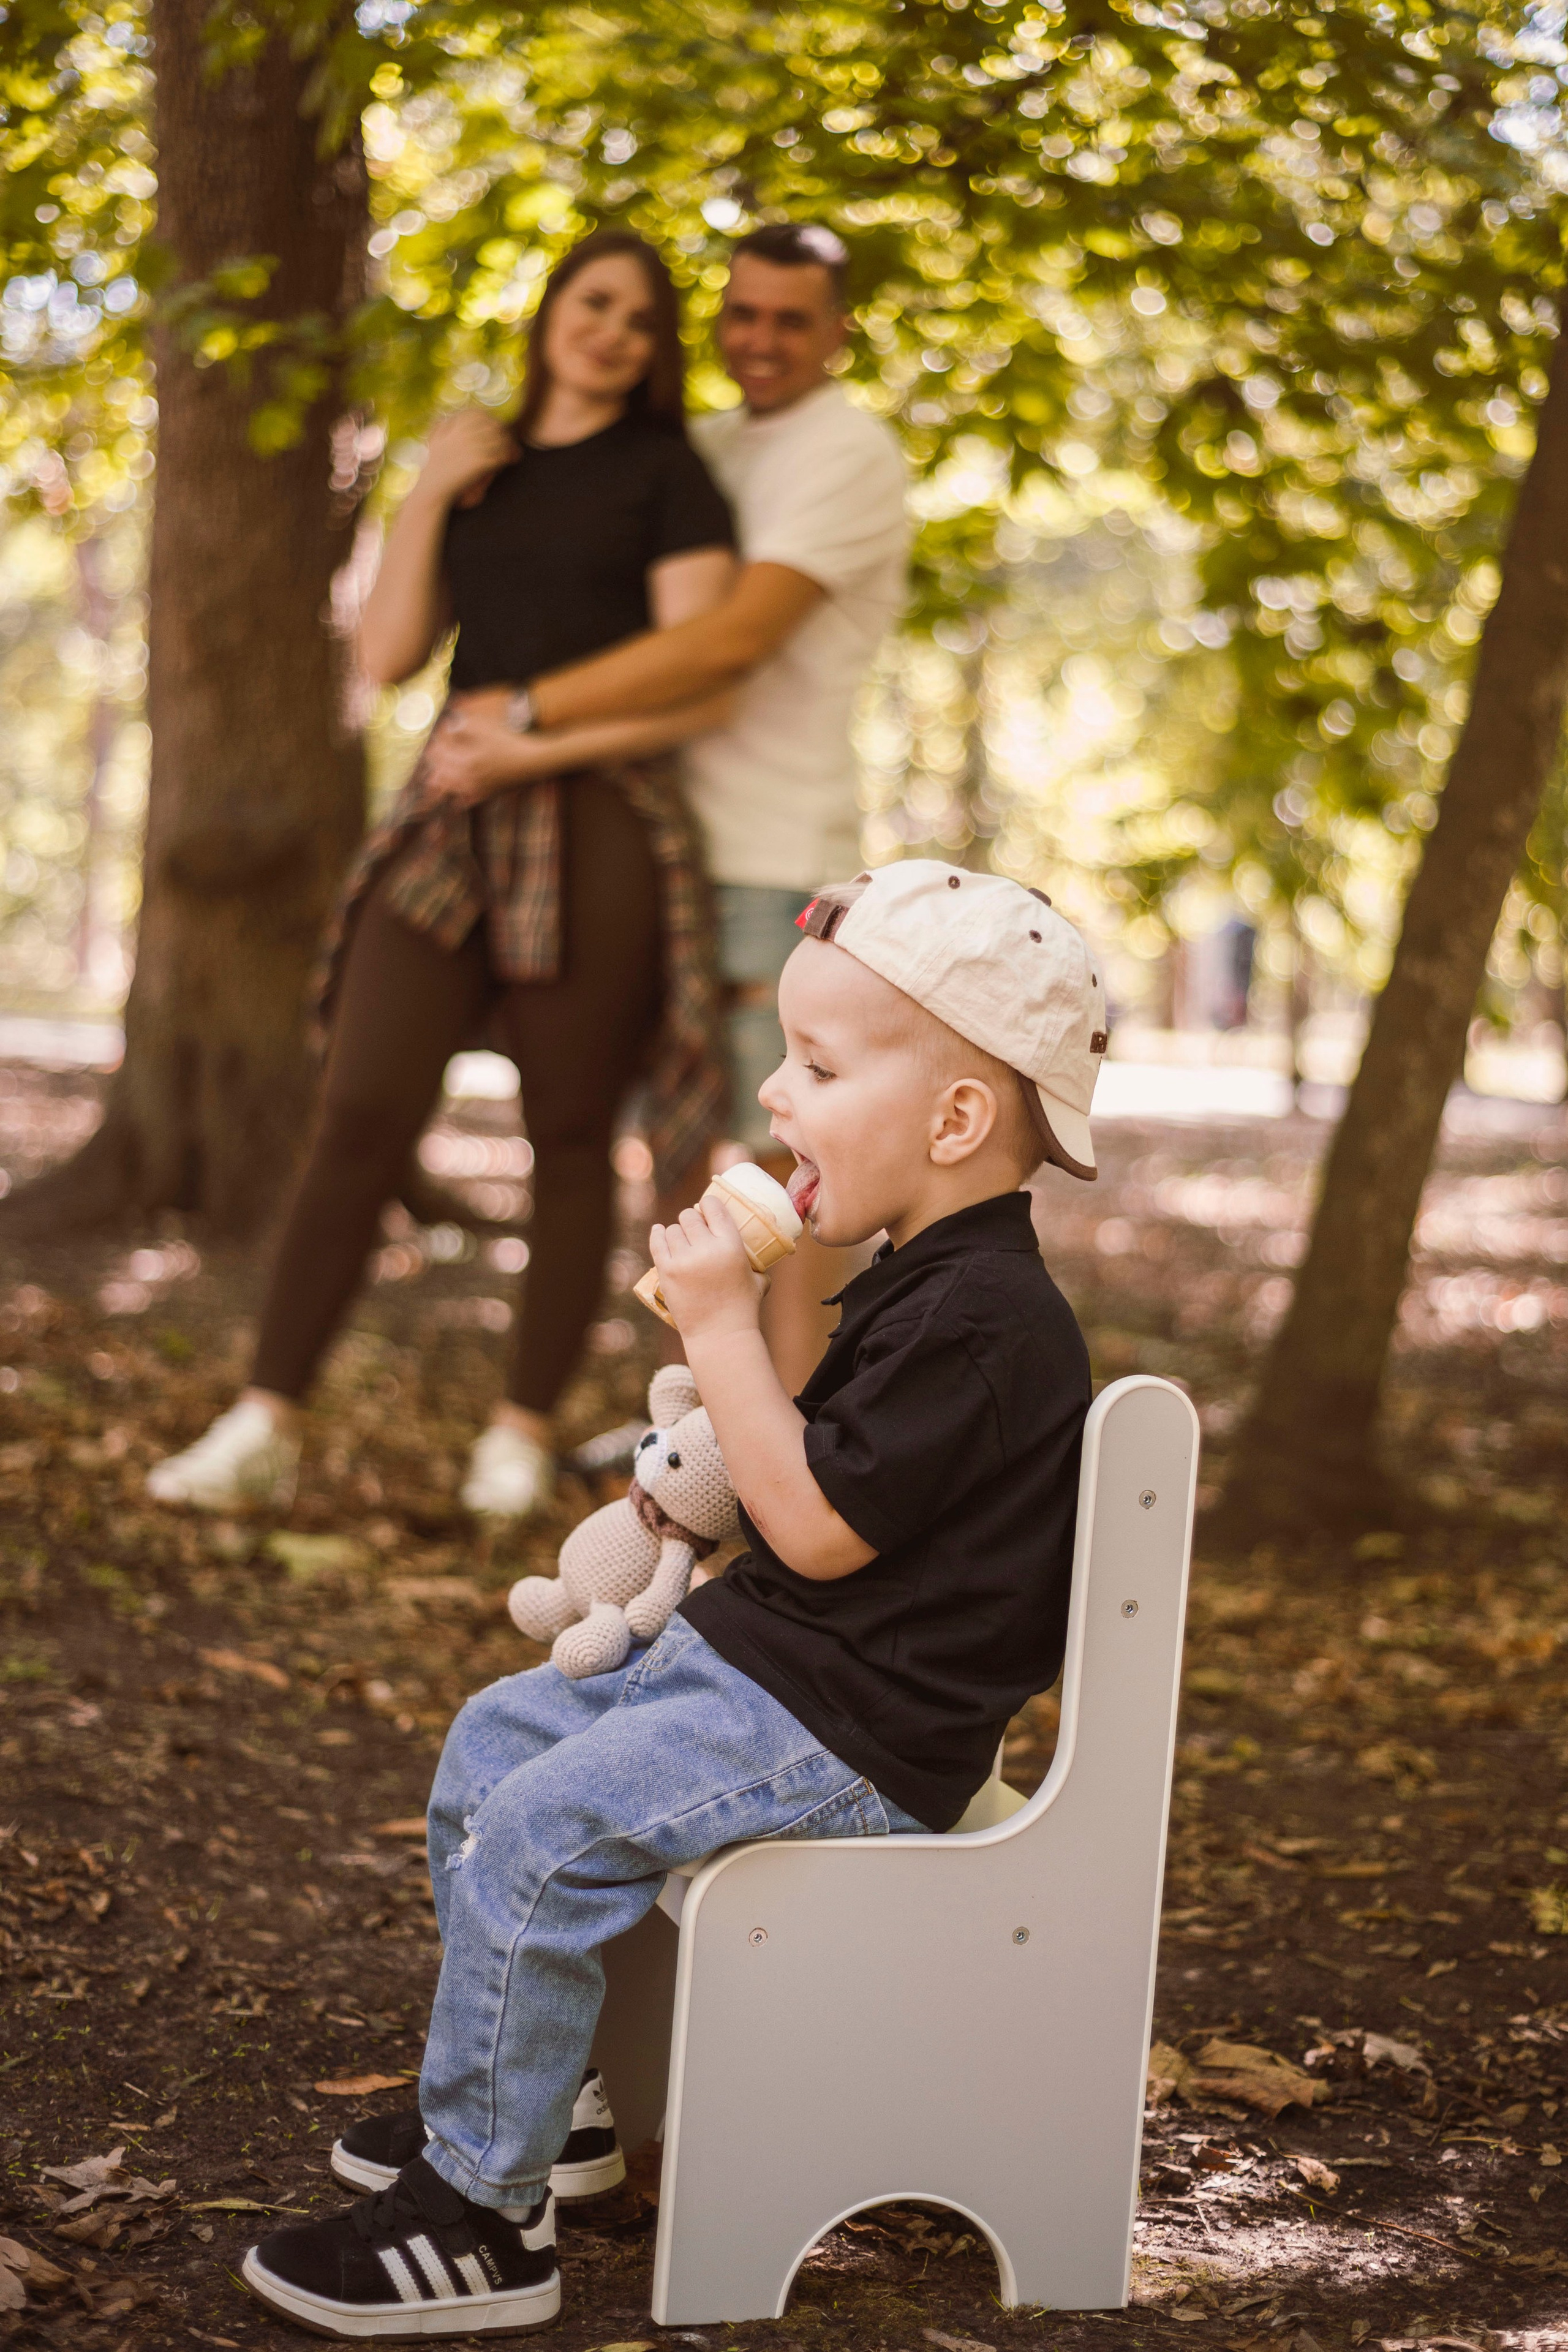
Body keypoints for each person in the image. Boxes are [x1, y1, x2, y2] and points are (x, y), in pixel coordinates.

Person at [238, 859, 1106, 2339]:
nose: (774, 1094)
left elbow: (814, 1532)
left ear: (955, 1120)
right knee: (492, 1749)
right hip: (772, 1681)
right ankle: (544, 2110)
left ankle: (481, 2221)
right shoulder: (919, 1276)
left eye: (816, 1066)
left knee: (542, 1830)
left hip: (850, 1730)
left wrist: (719, 1330)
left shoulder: (987, 1321)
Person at [147, 230, 739, 1524]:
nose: (612, 333)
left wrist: (539, 739)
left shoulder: (669, 476)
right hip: (451, 818)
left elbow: (704, 675)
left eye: (640, 321)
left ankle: (518, 1435)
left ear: (658, 351)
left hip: (599, 812)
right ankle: (262, 1420)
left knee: (568, 1132)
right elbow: (387, 653)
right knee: (360, 1109)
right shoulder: (485, 462)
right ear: (551, 310)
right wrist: (428, 490)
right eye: (594, 303)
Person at [451, 222, 910, 1396]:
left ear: (839, 330)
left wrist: (526, 709)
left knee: (782, 1175)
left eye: (792, 320)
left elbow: (732, 640)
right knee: (681, 1176)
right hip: (651, 849)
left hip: (767, 855)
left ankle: (790, 1456)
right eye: (742, 313)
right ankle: (700, 1452)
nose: (761, 339)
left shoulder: (848, 452)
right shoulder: (696, 447)